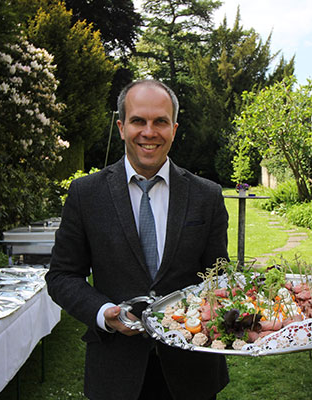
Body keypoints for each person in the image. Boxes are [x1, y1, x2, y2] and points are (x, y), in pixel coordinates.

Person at [45, 79, 230, 400]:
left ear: (174, 128)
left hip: (192, 369)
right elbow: (62, 276)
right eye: (138, 121)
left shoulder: (207, 195)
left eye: (160, 121)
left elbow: (218, 275)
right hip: (116, 370)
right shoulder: (86, 194)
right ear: (121, 127)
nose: (149, 131)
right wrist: (103, 312)